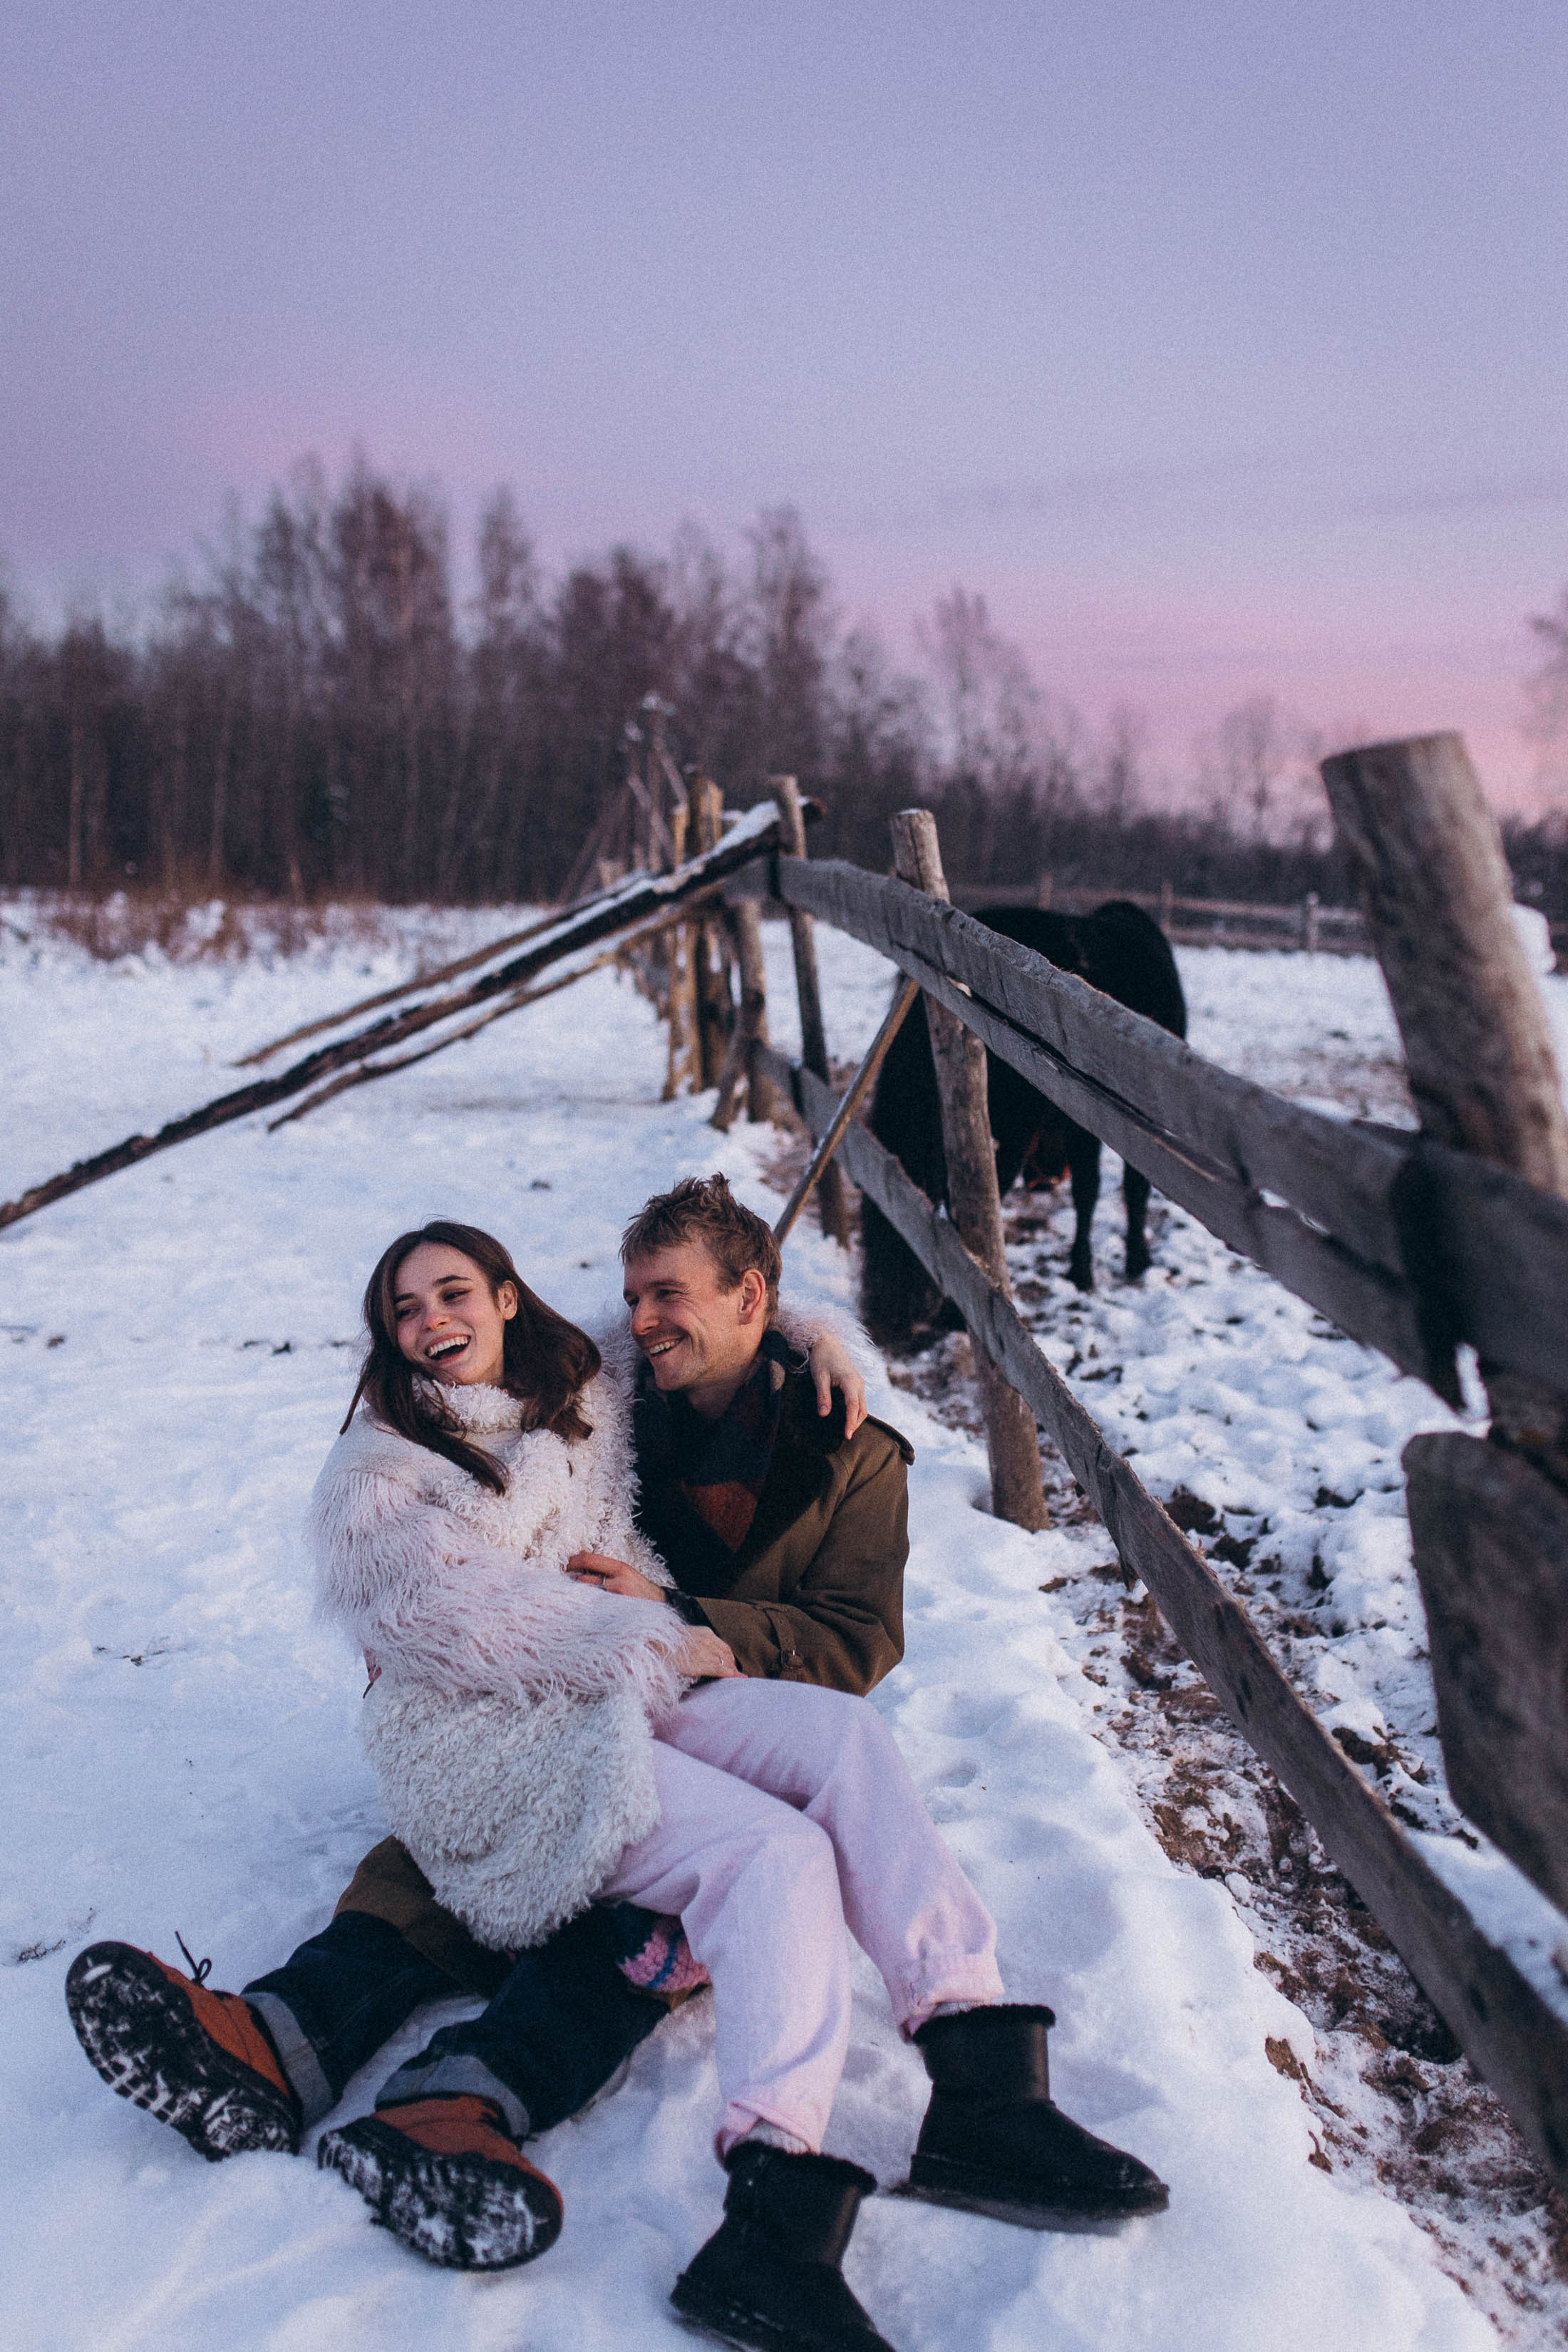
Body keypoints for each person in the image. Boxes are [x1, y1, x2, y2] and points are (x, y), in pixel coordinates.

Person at [68, 1182, 1167, 2351]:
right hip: (514, 1728)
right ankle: (772, 2204)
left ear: (506, 1299)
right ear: (386, 1337)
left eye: (455, 1290)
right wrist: (655, 1630)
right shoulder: (379, 1477)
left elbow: (714, 1367)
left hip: (636, 1685)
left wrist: (806, 1339)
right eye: (405, 1307)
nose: (433, 1317)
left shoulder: (579, 1385)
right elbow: (470, 1625)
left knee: (849, 1741)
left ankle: (985, 2084)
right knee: (766, 1855)